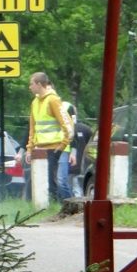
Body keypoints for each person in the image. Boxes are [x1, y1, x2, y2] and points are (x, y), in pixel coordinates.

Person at [25, 72, 73, 201]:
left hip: (54, 148)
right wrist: (30, 148)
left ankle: (58, 208)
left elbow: (68, 125)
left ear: (39, 84)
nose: (30, 87)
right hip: (40, 149)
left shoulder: (53, 100)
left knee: (53, 182)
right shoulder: (35, 102)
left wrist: (62, 146)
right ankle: (47, 208)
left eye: (31, 84)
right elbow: (33, 128)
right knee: (40, 182)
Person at [66, 104, 93, 197]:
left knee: (74, 186)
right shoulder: (85, 129)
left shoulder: (84, 129)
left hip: (76, 165)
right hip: (76, 165)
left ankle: (78, 204)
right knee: (74, 187)